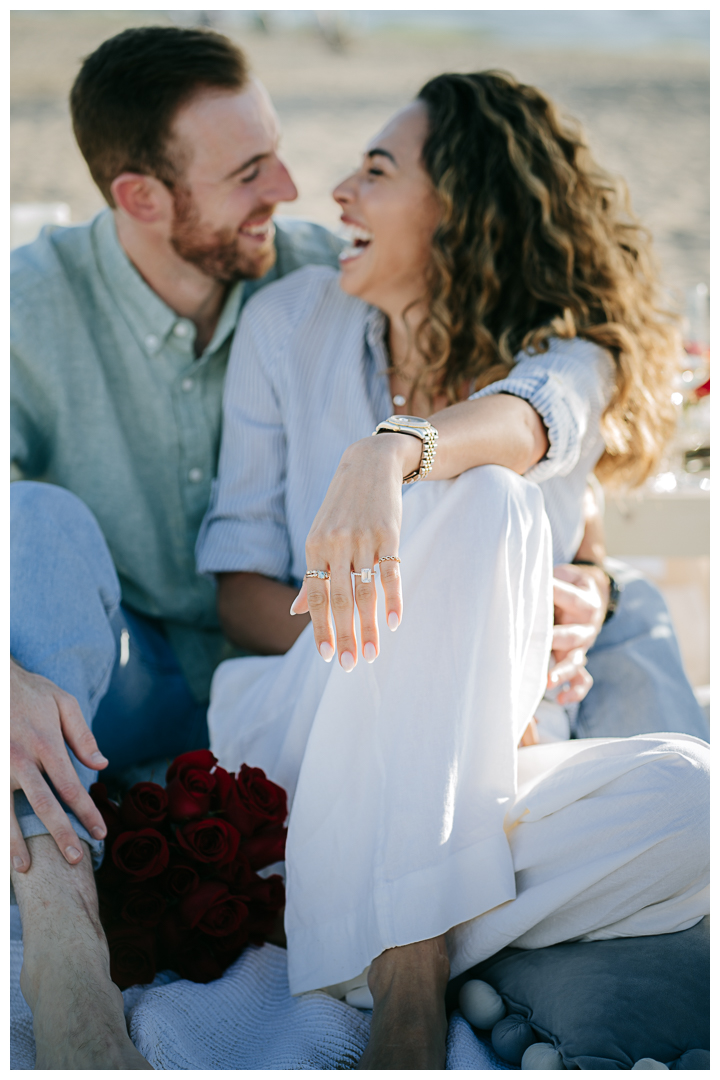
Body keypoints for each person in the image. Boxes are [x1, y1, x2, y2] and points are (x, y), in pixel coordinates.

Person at [197, 72, 709, 1069]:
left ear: (460, 211)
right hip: (307, 719)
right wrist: (409, 630)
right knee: (477, 505)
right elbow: (238, 597)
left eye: (377, 172)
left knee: (699, 802)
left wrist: (389, 451)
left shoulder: (570, 358)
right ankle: (409, 976)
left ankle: (350, 915)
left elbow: (529, 427)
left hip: (483, 775)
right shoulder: (285, 323)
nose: (338, 191)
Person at [10, 24, 344, 1069]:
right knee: (36, 519)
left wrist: (588, 566)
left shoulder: (328, 281)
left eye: (277, 152)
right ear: (141, 199)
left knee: (624, 621)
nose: (289, 187)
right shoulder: (30, 302)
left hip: (297, 669)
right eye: (248, 172)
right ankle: (59, 935)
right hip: (111, 679)